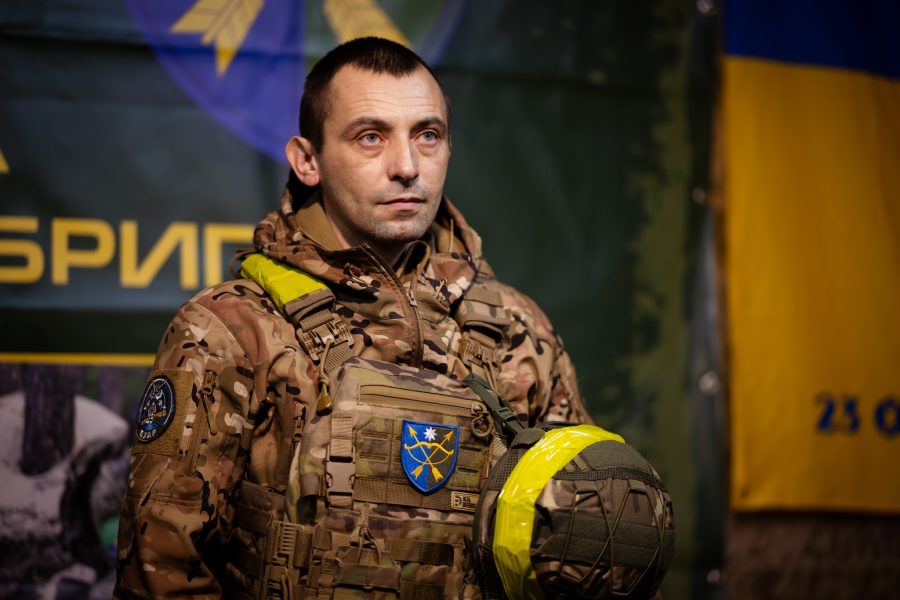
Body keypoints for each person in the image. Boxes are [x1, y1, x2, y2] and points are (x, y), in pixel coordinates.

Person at [115, 37, 590, 599]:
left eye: (427, 135)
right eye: (370, 137)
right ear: (307, 160)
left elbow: (581, 541)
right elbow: (162, 569)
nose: (407, 167)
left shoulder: (518, 328)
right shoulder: (231, 330)